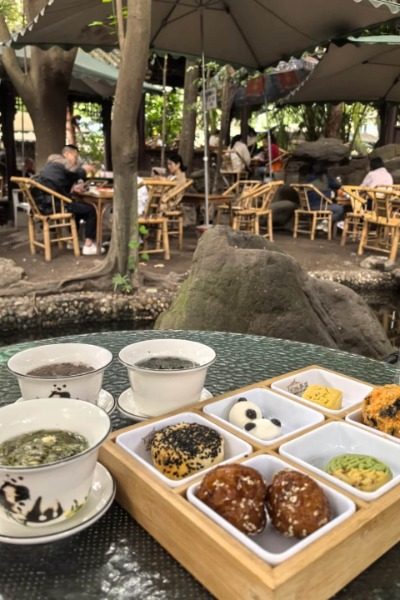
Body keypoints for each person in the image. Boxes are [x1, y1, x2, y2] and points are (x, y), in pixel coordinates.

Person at [34, 144, 100, 256]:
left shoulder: (52, 165)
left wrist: (73, 188)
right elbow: (75, 173)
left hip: (45, 204)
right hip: (55, 205)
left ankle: (72, 241)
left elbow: (61, 182)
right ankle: (88, 245)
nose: (76, 160)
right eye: (75, 157)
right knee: (91, 210)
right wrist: (84, 170)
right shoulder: (62, 162)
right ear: (67, 154)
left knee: (78, 208)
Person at [306, 161, 344, 227]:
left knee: (332, 205)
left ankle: (322, 222)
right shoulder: (325, 177)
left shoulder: (308, 177)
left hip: (307, 205)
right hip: (318, 205)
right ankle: (324, 222)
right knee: (340, 209)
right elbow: (338, 185)